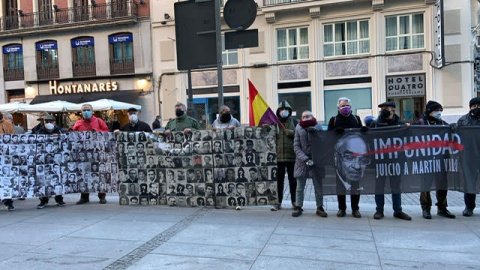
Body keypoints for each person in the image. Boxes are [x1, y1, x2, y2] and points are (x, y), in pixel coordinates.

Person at [412, 101, 455, 219]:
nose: (439, 113)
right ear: (429, 111)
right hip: (426, 161)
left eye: (440, 110)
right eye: (436, 111)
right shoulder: (420, 124)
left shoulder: (443, 124)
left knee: (442, 185)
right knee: (425, 185)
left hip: (441, 160)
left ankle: (442, 208)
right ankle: (426, 208)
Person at [370, 101, 411, 220]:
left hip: (396, 160)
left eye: (385, 109)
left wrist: (408, 129)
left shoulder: (401, 124)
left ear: (393, 110)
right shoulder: (375, 124)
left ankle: (398, 210)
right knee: (379, 186)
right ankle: (379, 210)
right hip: (380, 161)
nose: (383, 111)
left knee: (396, 186)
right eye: (382, 109)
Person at [327, 97, 363, 218]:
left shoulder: (356, 119)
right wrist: (334, 132)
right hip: (341, 158)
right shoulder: (334, 120)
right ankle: (341, 209)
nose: (345, 108)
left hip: (354, 157)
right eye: (343, 106)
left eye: (347, 105)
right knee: (340, 184)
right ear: (338, 107)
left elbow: (362, 135)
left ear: (351, 107)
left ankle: (355, 209)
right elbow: (327, 137)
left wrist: (364, 130)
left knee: (355, 184)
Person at [292, 111, 327, 218]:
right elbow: (296, 146)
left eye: (307, 116)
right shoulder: (298, 128)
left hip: (316, 161)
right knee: (300, 187)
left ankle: (320, 207)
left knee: (318, 186)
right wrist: (305, 158)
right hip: (302, 162)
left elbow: (323, 142)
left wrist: (315, 132)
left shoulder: (318, 127)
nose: (305, 118)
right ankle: (298, 206)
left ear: (312, 116)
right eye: (303, 117)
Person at [72, 104, 109, 205]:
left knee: (99, 175)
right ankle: (84, 197)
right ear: (81, 112)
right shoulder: (78, 123)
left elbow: (107, 133)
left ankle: (102, 196)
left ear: (92, 111)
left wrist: (97, 131)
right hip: (83, 154)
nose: (86, 112)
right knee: (84, 175)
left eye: (88, 110)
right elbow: (73, 136)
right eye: (84, 110)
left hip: (97, 153)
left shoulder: (99, 121)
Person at [268, 101, 297, 211]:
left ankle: (294, 201)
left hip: (292, 156)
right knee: (278, 181)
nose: (283, 111)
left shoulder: (295, 122)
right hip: (278, 157)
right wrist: (266, 128)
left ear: (289, 111)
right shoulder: (274, 124)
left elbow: (301, 135)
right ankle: (278, 202)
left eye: (286, 109)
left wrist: (292, 133)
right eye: (281, 109)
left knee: (293, 180)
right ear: (278, 111)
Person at [34, 115, 67, 209]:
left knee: (57, 179)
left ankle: (59, 199)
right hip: (44, 160)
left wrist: (59, 137)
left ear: (54, 122)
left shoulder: (60, 131)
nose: (48, 123)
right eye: (46, 121)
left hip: (57, 160)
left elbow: (67, 140)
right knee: (44, 181)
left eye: (50, 121)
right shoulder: (38, 131)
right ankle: (43, 200)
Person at [458, 97, 480, 217]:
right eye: (474, 106)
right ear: (470, 107)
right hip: (469, 156)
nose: (476, 108)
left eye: (478, 106)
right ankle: (469, 207)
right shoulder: (463, 120)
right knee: (469, 183)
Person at [0, 111, 15, 211]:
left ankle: (8, 202)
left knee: (5, 180)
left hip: (5, 157)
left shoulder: (7, 124)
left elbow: (13, 138)